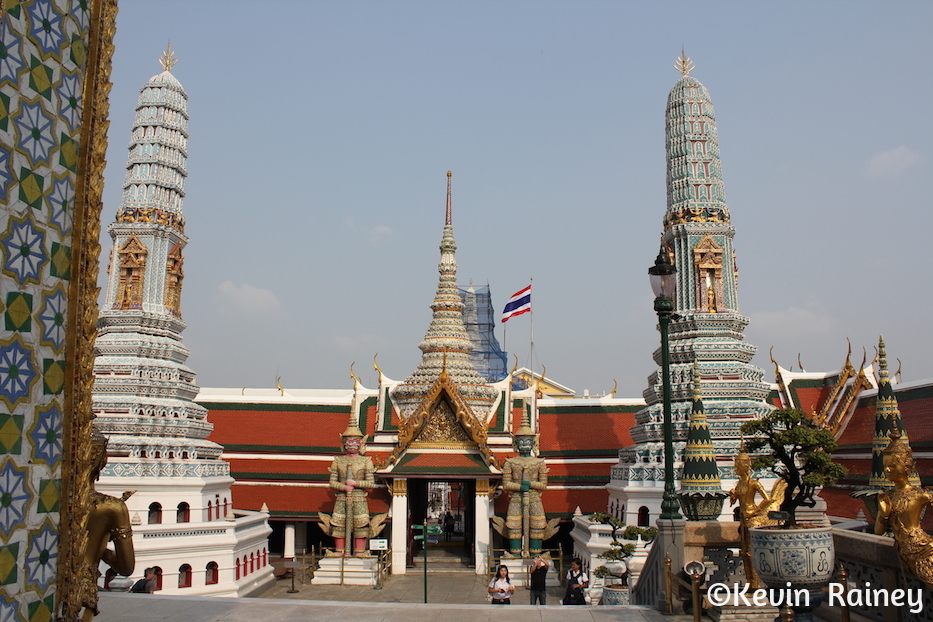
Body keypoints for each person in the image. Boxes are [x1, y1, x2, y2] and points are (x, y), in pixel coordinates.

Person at [79, 425, 135, 620]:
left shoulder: (49, 504)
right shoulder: (111, 507)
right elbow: (126, 567)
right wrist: (100, 549)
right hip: (83, 592)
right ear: (102, 461)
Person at [875, 429, 933, 589]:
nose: (887, 470)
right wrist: (884, 515)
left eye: (892, 466)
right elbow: (878, 532)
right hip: (907, 551)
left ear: (906, 467)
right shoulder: (887, 497)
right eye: (886, 465)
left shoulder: (920, 495)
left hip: (924, 547)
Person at [500, 415, 549, 555]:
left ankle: (535, 555)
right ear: (516, 443)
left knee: (537, 526)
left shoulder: (539, 463)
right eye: (521, 441)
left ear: (534, 443)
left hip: (534, 497)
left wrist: (531, 484)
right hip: (516, 497)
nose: (524, 444)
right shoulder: (510, 462)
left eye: (528, 441)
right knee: (513, 526)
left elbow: (543, 485)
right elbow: (506, 484)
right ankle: (515, 554)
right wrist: (520, 487)